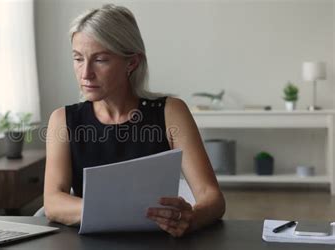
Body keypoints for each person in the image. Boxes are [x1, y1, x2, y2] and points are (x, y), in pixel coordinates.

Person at [44, 4, 225, 237]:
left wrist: (192, 217)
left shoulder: (171, 112)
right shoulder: (63, 119)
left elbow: (213, 198)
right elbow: (53, 202)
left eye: (100, 60)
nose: (85, 73)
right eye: (78, 59)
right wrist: (119, 212)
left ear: (132, 62)